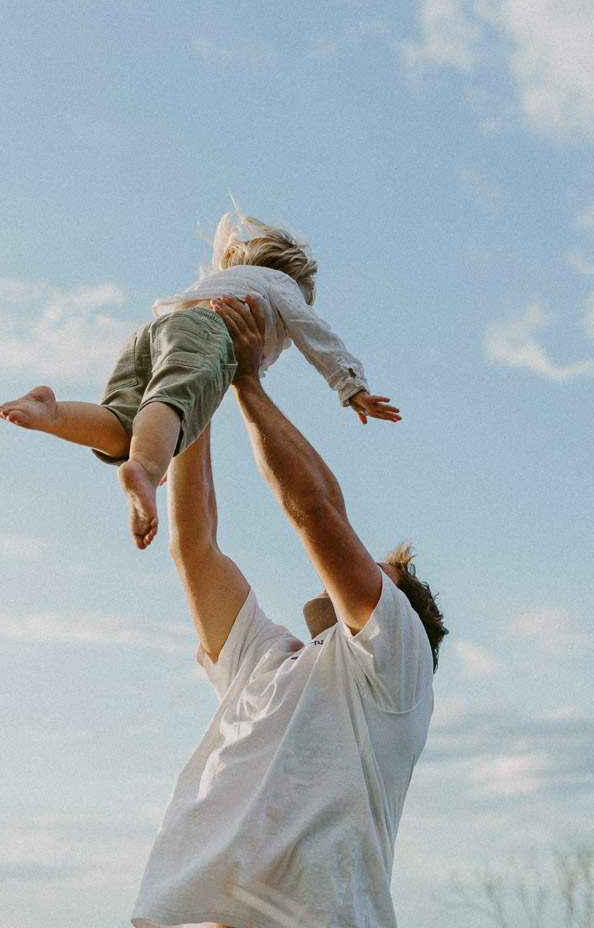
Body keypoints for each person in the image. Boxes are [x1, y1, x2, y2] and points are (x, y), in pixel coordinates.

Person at [130, 294, 447, 928]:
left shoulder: (395, 664)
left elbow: (316, 510)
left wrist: (248, 381)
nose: (350, 564)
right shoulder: (264, 662)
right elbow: (194, 547)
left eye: (374, 565)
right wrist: (203, 379)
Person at [0, 207, 400, 550]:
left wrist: (162, 440)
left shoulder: (223, 282)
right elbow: (315, 333)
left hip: (152, 333)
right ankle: (146, 472)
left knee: (125, 425)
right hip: (205, 333)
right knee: (172, 401)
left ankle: (54, 413)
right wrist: (352, 386)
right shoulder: (281, 285)